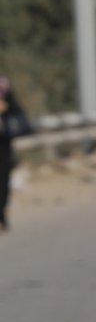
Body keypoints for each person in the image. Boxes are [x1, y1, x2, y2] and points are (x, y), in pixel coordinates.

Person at [0, 77, 31, 233]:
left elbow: (20, 116)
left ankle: (1, 216)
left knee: (3, 182)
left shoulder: (4, 86)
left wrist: (5, 110)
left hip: (3, 145)